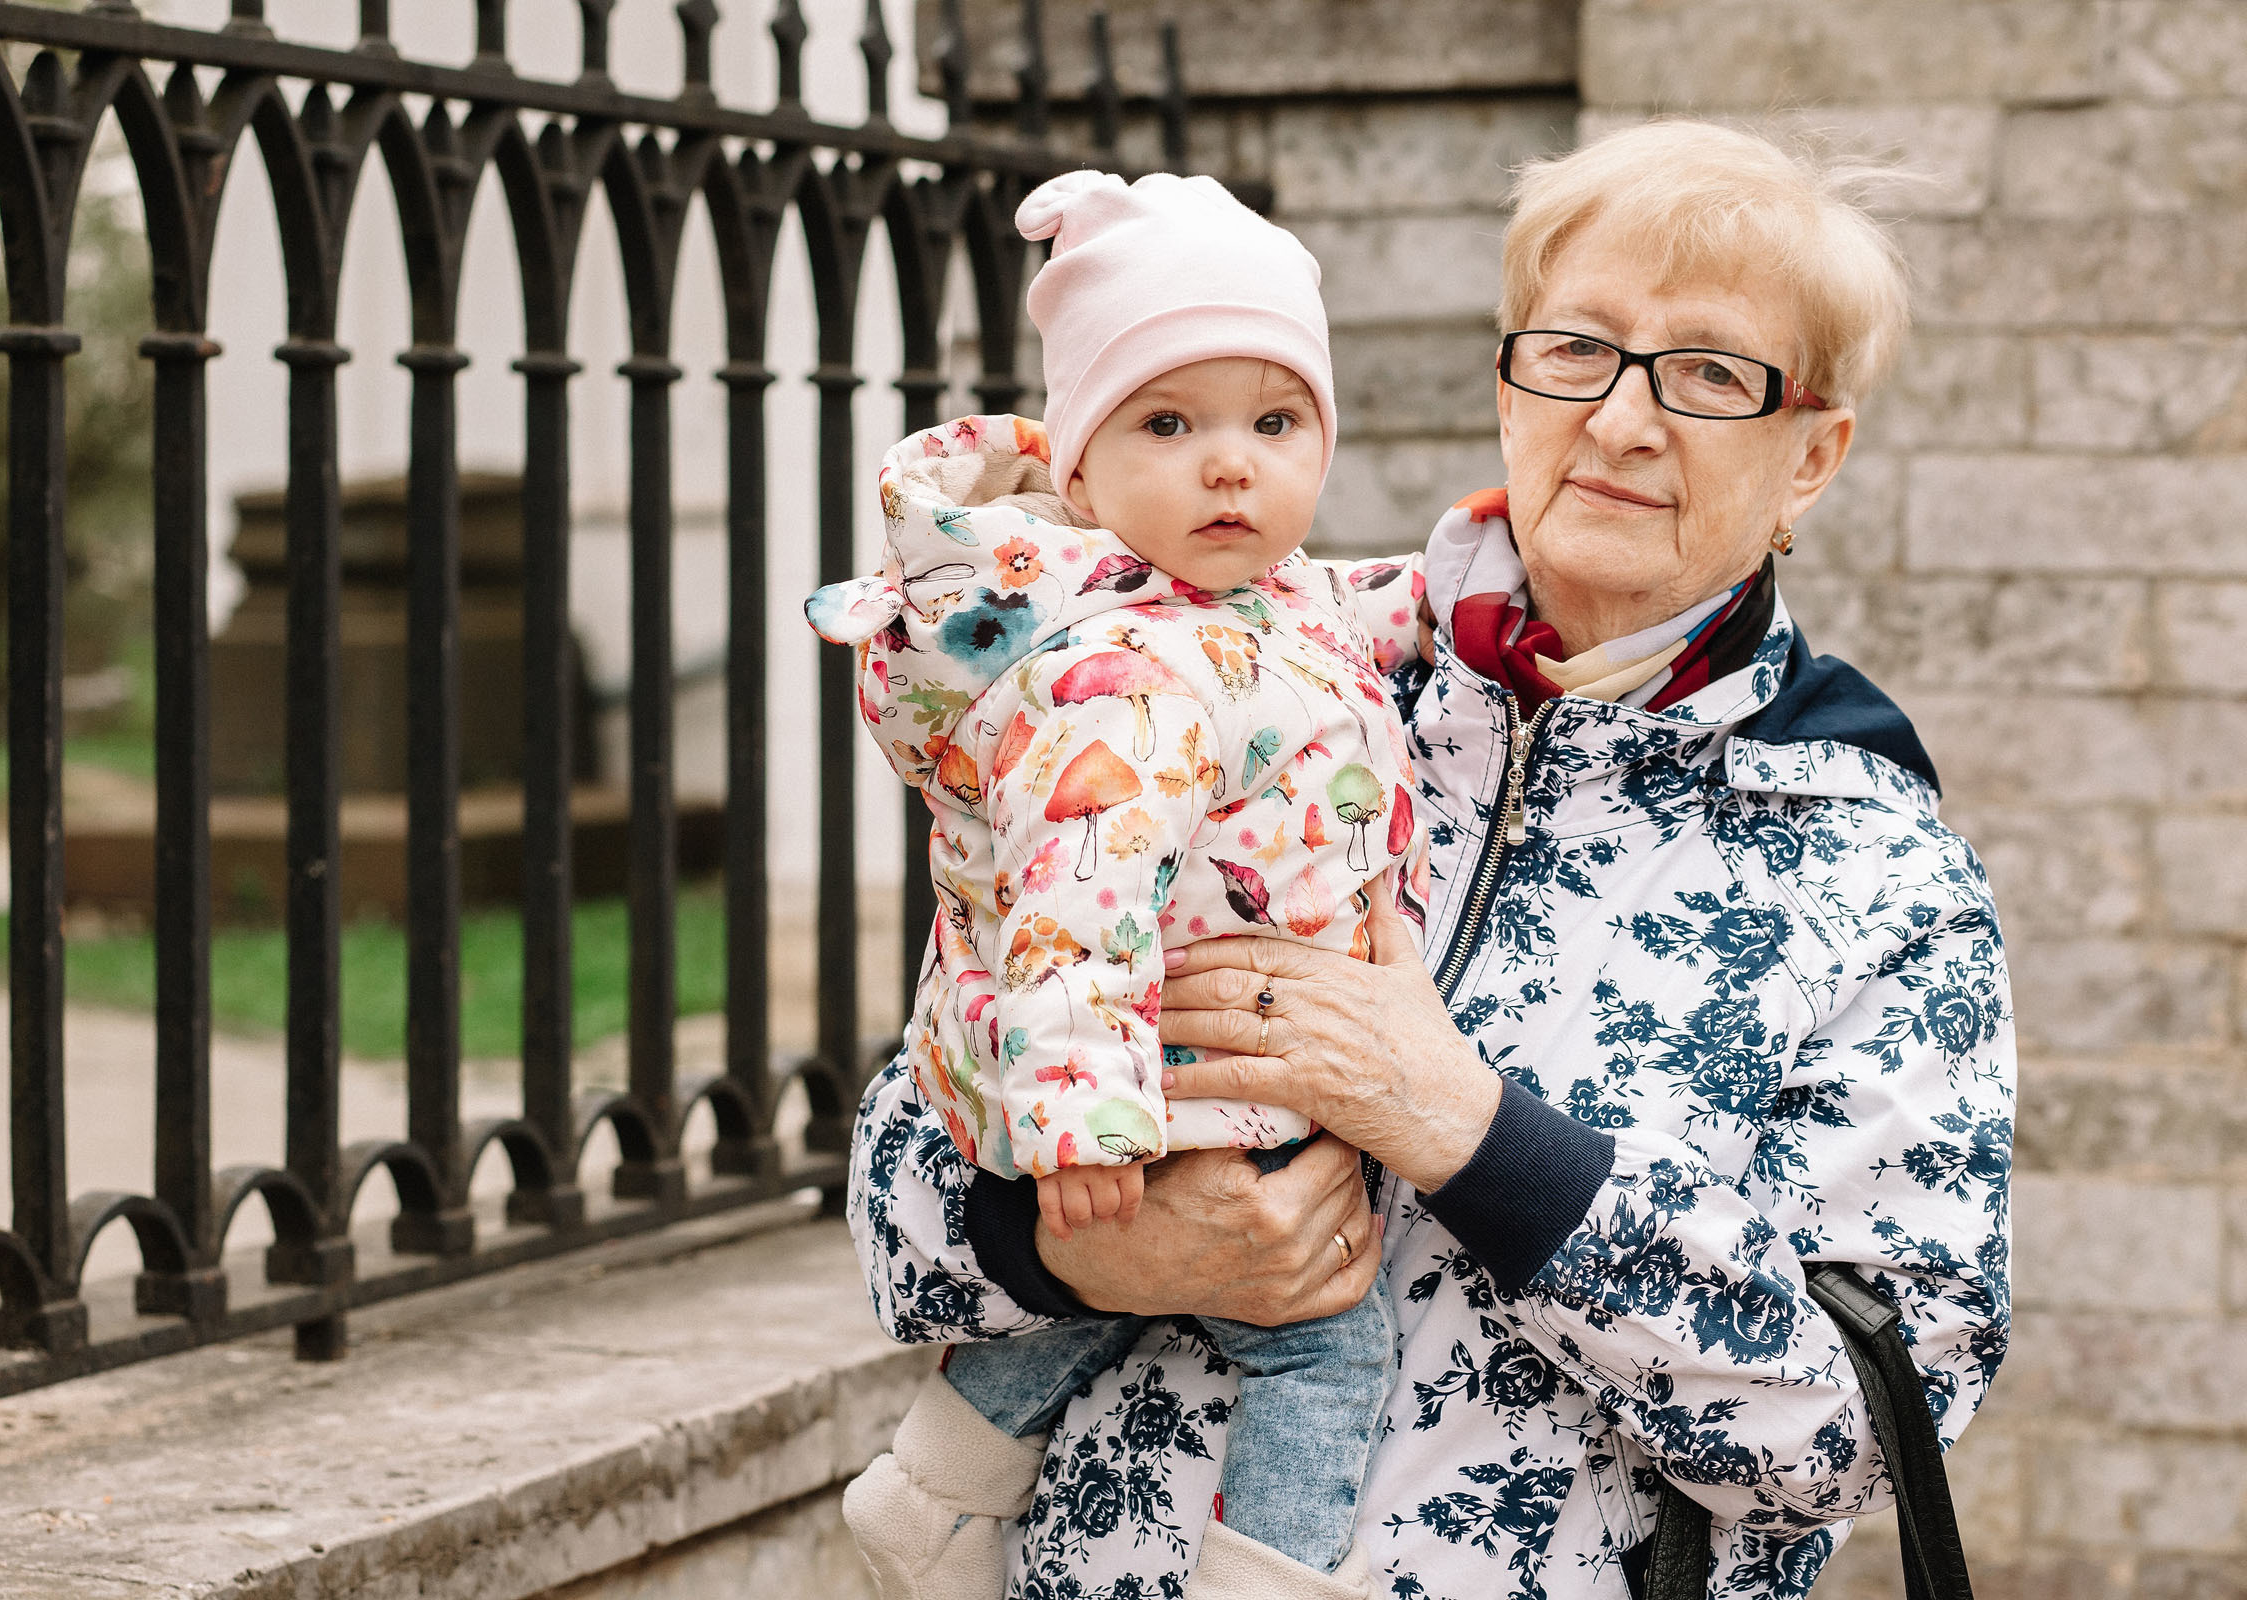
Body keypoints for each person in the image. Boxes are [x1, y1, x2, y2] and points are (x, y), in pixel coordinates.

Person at [848, 120, 2016, 1600]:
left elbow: (1868, 1429)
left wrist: (1470, 1131)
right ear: (1508, 383)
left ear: (1813, 457)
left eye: (1712, 374)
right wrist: (1076, 1251)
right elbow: (896, 1177)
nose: (1621, 422)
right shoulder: (1240, 680)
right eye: (1576, 349)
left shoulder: (1870, 871)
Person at [807, 171, 1433, 1599]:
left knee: (1112, 1298)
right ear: (1079, 473)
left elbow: (1348, 609)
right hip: (1163, 1085)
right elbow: (1072, 900)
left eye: (1275, 425)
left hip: (1191, 1070)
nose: (1232, 468)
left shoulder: (1242, 605)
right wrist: (1084, 1117)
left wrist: (1461, 580)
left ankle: (934, 1493)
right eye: (1170, 423)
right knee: (1325, 1345)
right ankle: (1264, 1579)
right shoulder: (1122, 677)